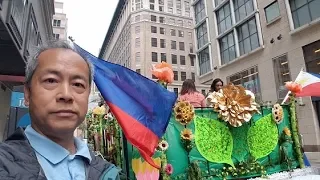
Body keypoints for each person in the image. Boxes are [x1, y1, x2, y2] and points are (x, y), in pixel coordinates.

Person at [0, 41, 120, 180]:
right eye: (51, 80)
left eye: (77, 84)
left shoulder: (109, 173)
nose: (66, 95)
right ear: (27, 93)